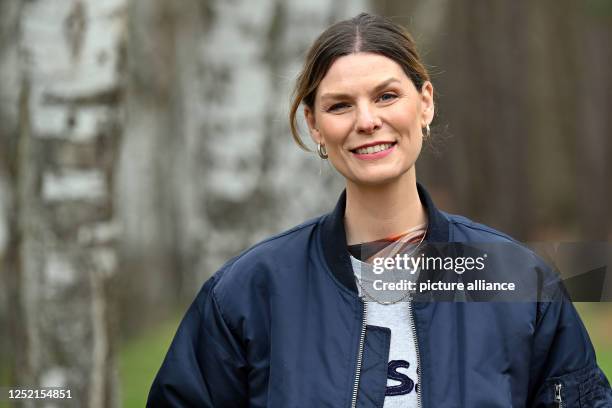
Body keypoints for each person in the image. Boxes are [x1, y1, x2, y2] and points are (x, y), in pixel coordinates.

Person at [147, 13, 611, 407]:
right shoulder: (249, 293)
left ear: (424, 103)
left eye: (386, 96)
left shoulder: (520, 282)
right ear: (314, 125)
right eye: (340, 105)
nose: (367, 121)